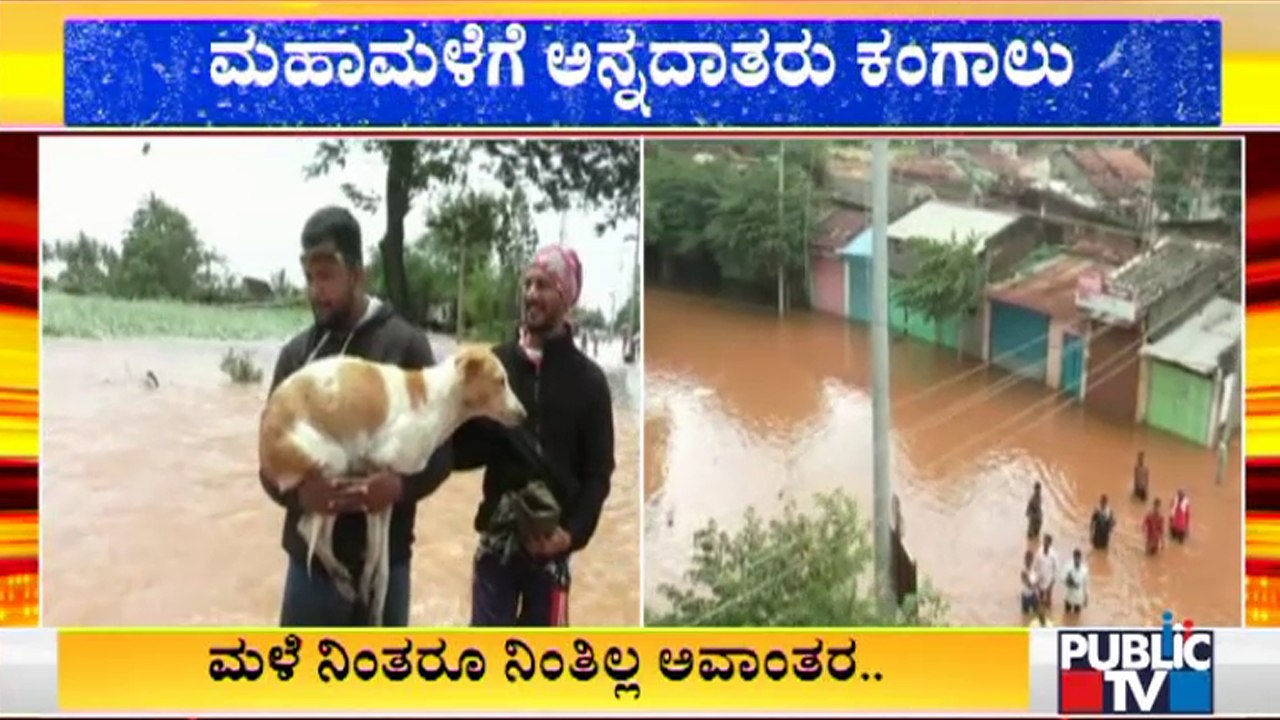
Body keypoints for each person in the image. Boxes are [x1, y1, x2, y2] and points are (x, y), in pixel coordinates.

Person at [258, 207, 452, 627]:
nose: (315, 290)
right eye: (309, 277)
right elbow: (268, 467)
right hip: (310, 570)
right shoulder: (297, 357)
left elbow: (442, 455)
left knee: (381, 692)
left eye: (326, 275)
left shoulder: (405, 347)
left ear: (358, 275)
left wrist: (399, 488)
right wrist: (299, 498)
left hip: (387, 566)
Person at [452, 245, 615, 627]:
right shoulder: (494, 365)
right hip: (497, 545)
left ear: (566, 294)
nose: (530, 294)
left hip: (551, 555)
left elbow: (598, 474)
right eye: (527, 284)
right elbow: (461, 450)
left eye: (543, 285)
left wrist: (571, 535)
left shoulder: (589, 382)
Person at [1033, 533, 1059, 609]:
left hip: (1049, 579)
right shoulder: (1039, 551)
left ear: (1050, 543)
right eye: (1044, 541)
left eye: (1047, 541)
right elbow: (1035, 565)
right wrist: (1035, 579)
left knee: (1049, 599)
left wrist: (1053, 581)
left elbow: (1056, 568)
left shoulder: (1053, 554)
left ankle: (1048, 612)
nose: (1045, 543)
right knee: (1040, 597)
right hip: (1040, 578)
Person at [1063, 548, 1089, 615]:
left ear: (1080, 558)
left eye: (1078, 558)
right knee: (1067, 613)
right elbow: (1062, 578)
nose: (1077, 559)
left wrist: (1086, 599)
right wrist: (1068, 581)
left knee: (1077, 615)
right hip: (1069, 594)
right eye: (1075, 557)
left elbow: (1086, 586)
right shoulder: (1068, 567)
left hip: (1079, 597)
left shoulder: (1084, 570)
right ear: (1073, 557)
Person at [1019, 549, 1039, 615]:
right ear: (1025, 559)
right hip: (1025, 595)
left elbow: (1036, 582)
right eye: (1027, 559)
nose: (1029, 560)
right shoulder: (1023, 569)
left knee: (1035, 613)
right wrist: (1034, 584)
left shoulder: (1034, 568)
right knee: (1025, 614)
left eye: (1030, 559)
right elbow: (1028, 583)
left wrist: (1034, 584)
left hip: (1033, 594)